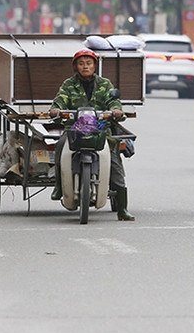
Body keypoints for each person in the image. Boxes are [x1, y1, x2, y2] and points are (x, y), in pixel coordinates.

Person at [49, 49, 135, 221]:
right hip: (74, 130)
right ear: (76, 67)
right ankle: (59, 186)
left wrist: (116, 110)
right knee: (59, 147)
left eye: (89, 63)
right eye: (81, 63)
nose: (85, 66)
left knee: (114, 161)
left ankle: (122, 209)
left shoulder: (104, 84)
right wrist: (56, 109)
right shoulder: (68, 84)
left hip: (100, 130)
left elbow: (113, 101)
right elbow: (60, 99)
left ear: (95, 65)